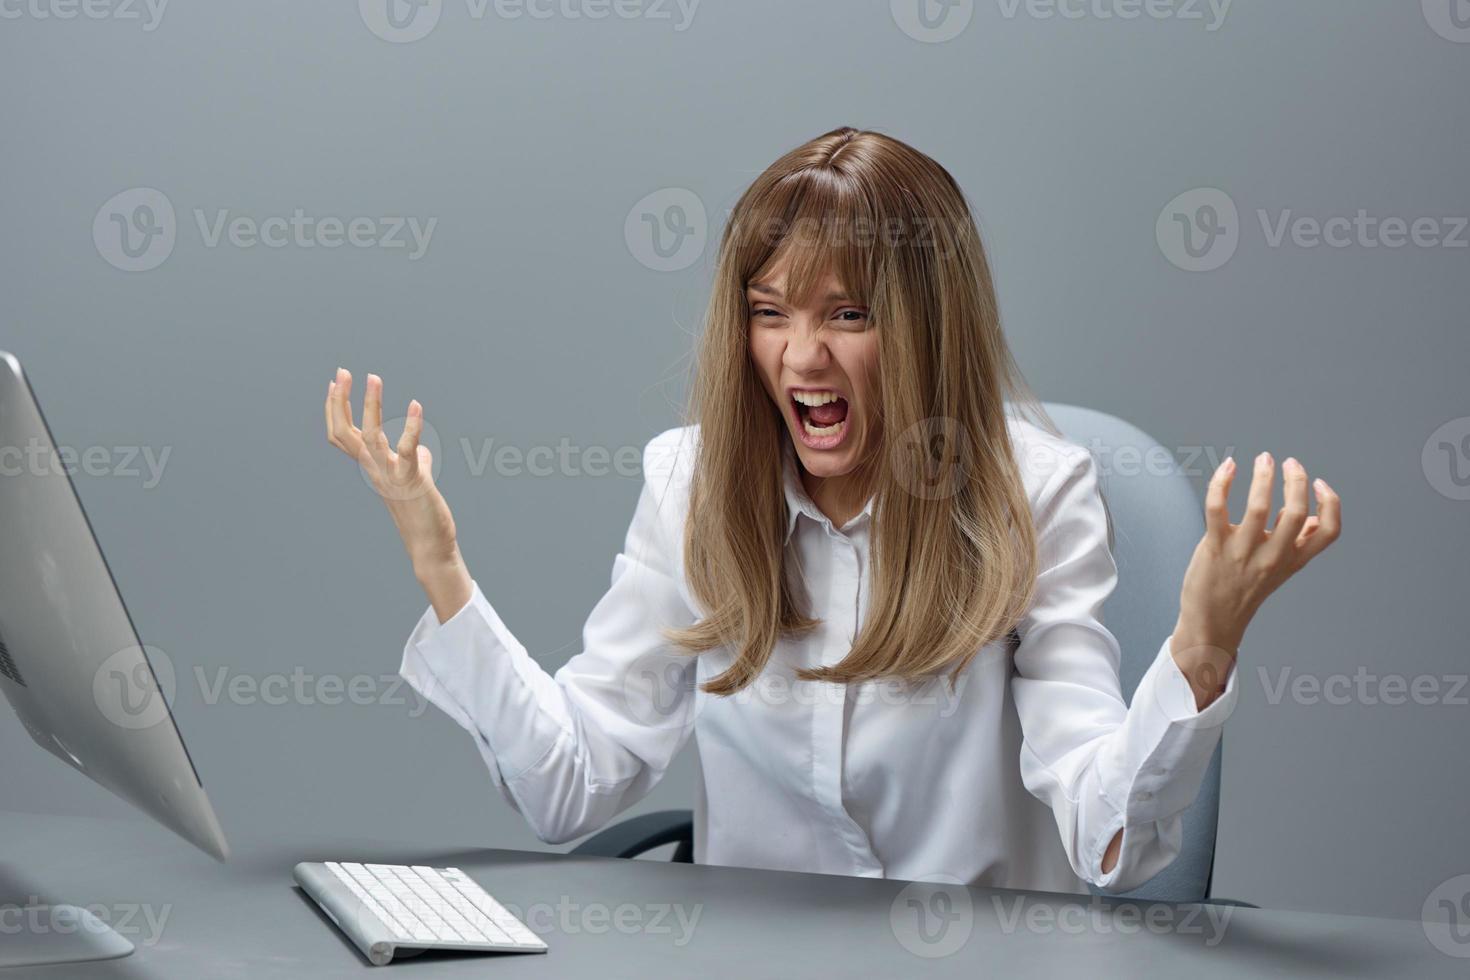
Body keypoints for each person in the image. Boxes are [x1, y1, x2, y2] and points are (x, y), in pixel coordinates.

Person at [322, 126, 1341, 893]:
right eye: (770, 312)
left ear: (925, 324)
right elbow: (570, 783)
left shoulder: (1038, 492)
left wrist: (1202, 646)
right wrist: (442, 569)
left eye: (847, 314)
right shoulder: (691, 483)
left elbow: (1106, 832)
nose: (801, 356)